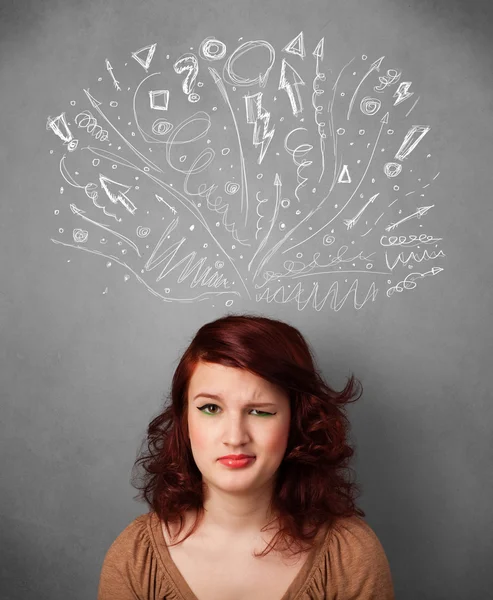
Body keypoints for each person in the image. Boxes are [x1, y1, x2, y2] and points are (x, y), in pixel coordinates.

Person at [97, 314, 395, 599]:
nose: (235, 437)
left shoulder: (351, 555)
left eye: (260, 411)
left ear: (297, 422)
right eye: (211, 408)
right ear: (184, 420)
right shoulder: (135, 557)